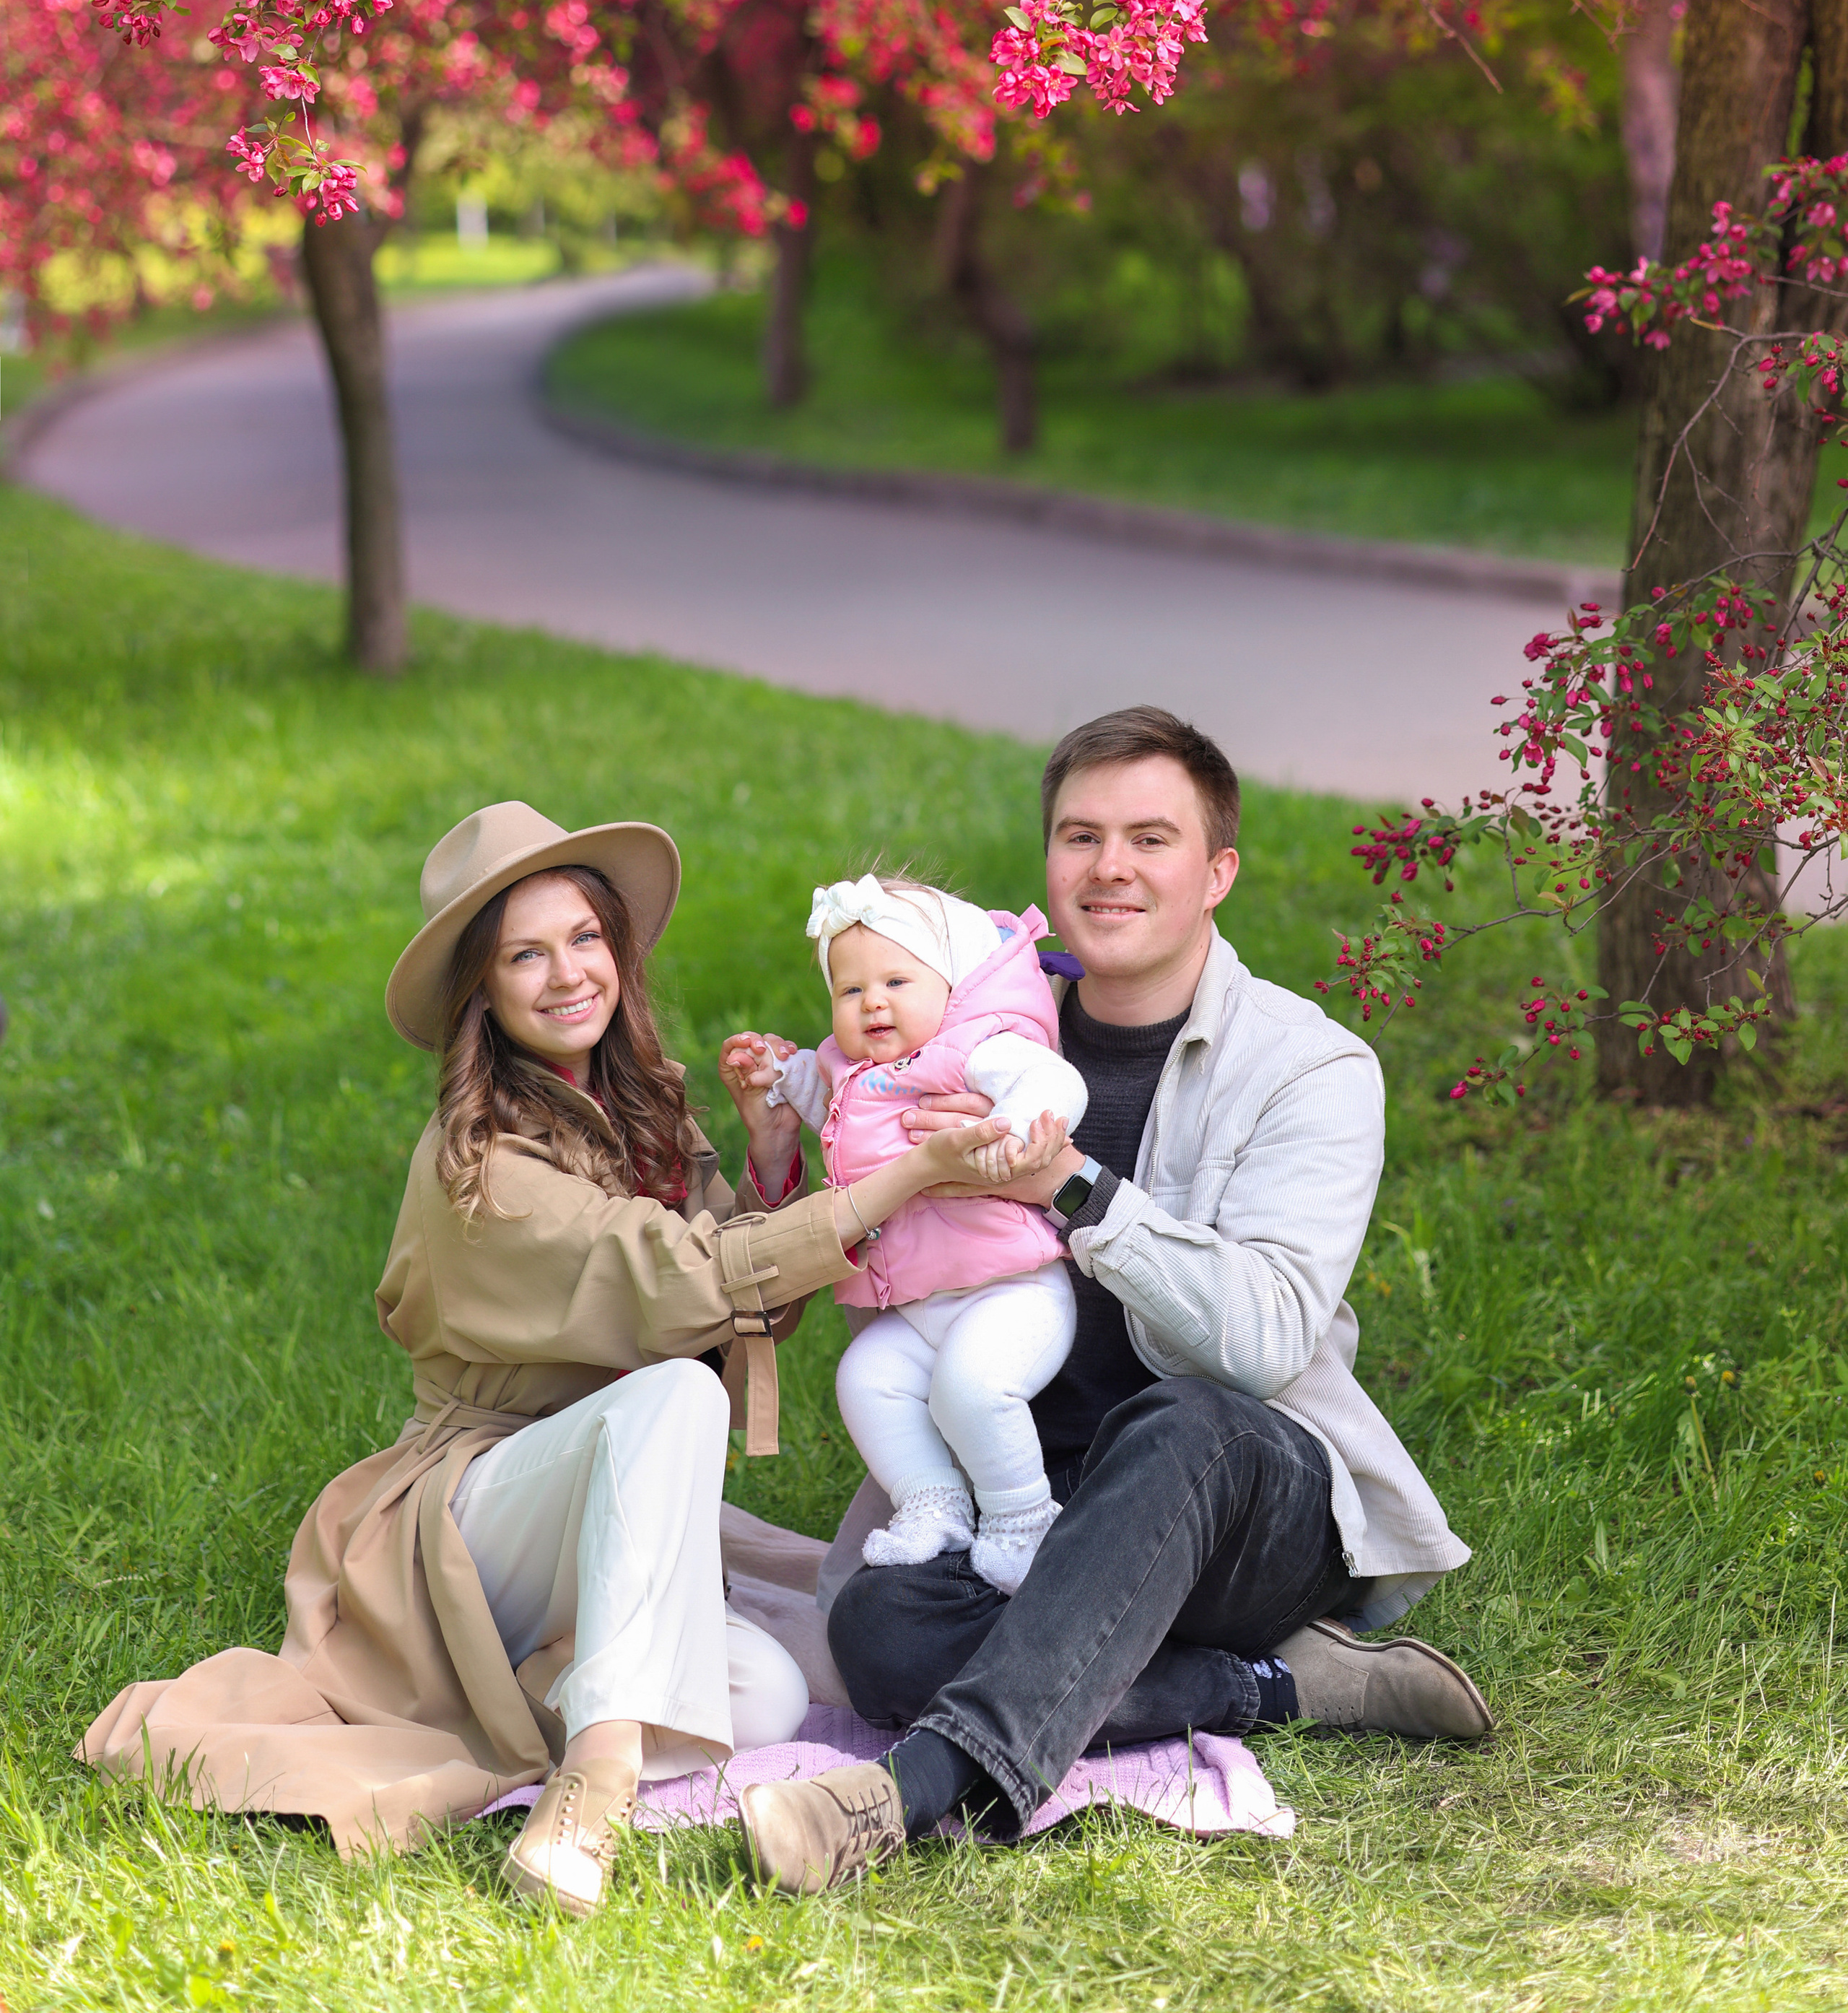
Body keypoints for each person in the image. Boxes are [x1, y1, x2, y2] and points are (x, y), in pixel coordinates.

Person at [79, 799, 1004, 1913]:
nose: (568, 973)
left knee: (755, 1701)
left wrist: (770, 1158)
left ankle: (548, 1685)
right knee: (671, 1399)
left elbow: (757, 1300)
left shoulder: (645, 1107)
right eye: (526, 953)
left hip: (602, 1494)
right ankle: (593, 1786)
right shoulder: (479, 1162)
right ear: (482, 989)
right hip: (473, 1515)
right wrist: (904, 1177)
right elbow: (689, 1286)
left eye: (585, 938)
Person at [738, 708, 1490, 1898]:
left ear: (1218, 872)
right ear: (1048, 863)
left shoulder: (1311, 1067)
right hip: (1029, 1495)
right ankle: (1279, 1687)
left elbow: (1261, 1340)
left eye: (1152, 838)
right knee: (877, 1635)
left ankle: (913, 1791)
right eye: (1081, 837)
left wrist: (1076, 1187)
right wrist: (788, 1145)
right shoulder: (950, 1035)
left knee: (1181, 1423)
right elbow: (822, 1274)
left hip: (1242, 1496)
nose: (1111, 868)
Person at [720, 874, 1089, 1594]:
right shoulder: (850, 1069)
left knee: (974, 1389)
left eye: (895, 980)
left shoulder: (968, 1047)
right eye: (850, 991)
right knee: (864, 1378)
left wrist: (1010, 1135)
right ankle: (932, 1504)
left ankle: (1021, 1519)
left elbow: (1055, 1083)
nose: (872, 1002)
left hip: (1008, 1292)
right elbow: (814, 1089)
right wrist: (773, 1072)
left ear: (949, 987)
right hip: (918, 1311)